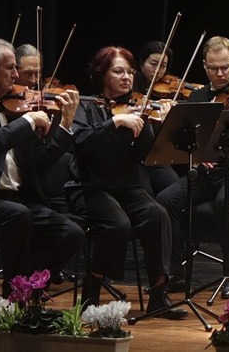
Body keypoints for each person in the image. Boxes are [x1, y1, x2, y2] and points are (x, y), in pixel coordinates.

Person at [0, 38, 85, 297]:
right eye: (10, 68)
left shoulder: (15, 106)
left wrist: (65, 124)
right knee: (18, 215)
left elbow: (40, 163)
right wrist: (28, 121)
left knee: (72, 234)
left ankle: (23, 288)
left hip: (18, 198)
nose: (16, 75)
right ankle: (17, 298)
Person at [65, 45, 187, 319]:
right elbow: (81, 143)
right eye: (118, 71)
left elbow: (146, 156)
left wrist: (157, 126)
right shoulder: (87, 107)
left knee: (158, 214)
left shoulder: (136, 108)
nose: (127, 77)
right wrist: (115, 122)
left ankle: (158, 295)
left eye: (130, 72)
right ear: (101, 75)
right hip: (88, 186)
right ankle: (91, 291)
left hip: (125, 186)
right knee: (117, 224)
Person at [156, 36, 229, 299]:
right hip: (207, 175)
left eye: (226, 68)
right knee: (165, 200)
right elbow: (181, 141)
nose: (220, 74)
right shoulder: (196, 97)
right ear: (204, 66)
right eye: (214, 68)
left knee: (224, 201)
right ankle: (174, 271)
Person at [134, 41, 180, 196]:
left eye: (163, 66)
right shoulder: (130, 84)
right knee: (145, 192)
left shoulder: (166, 91)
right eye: (154, 64)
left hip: (155, 155)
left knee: (174, 187)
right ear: (141, 63)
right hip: (133, 156)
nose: (158, 71)